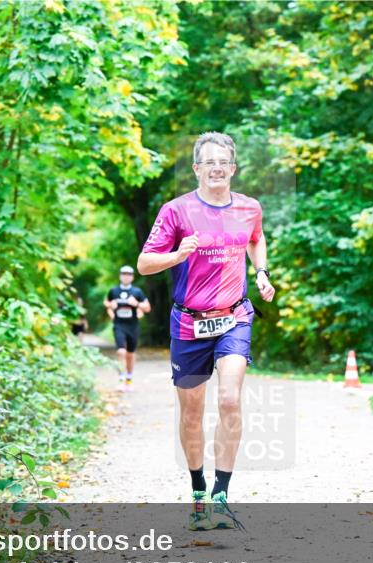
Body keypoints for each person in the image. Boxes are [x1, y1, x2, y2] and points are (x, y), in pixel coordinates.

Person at [137, 131, 275, 531]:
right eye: (208, 162)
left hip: (234, 316)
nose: (216, 168)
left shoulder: (249, 208)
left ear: (232, 168)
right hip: (189, 322)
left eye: (223, 162)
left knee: (230, 400)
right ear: (197, 168)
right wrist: (177, 254)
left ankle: (221, 496)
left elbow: (257, 237)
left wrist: (262, 272)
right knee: (192, 411)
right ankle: (198, 490)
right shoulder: (176, 211)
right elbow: (145, 263)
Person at [104, 266, 150, 390]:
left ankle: (129, 379)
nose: (126, 276)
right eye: (124, 274)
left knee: (130, 354)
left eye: (129, 274)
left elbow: (147, 307)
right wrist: (111, 307)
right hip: (119, 325)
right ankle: (121, 379)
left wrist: (137, 304)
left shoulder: (137, 292)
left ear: (132, 277)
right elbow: (107, 303)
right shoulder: (113, 291)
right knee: (121, 351)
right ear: (120, 276)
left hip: (133, 326)